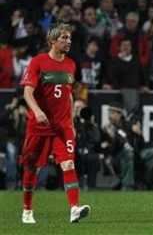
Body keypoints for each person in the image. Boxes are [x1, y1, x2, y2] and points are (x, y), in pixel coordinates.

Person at [19, 22, 90, 224]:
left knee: (68, 164)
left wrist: (72, 125)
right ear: (52, 40)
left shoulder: (71, 65)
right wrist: (37, 110)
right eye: (64, 38)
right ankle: (27, 211)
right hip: (39, 127)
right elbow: (27, 92)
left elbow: (68, 96)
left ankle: (74, 209)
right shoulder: (38, 62)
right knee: (32, 169)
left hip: (62, 127)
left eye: (69, 38)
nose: (68, 41)